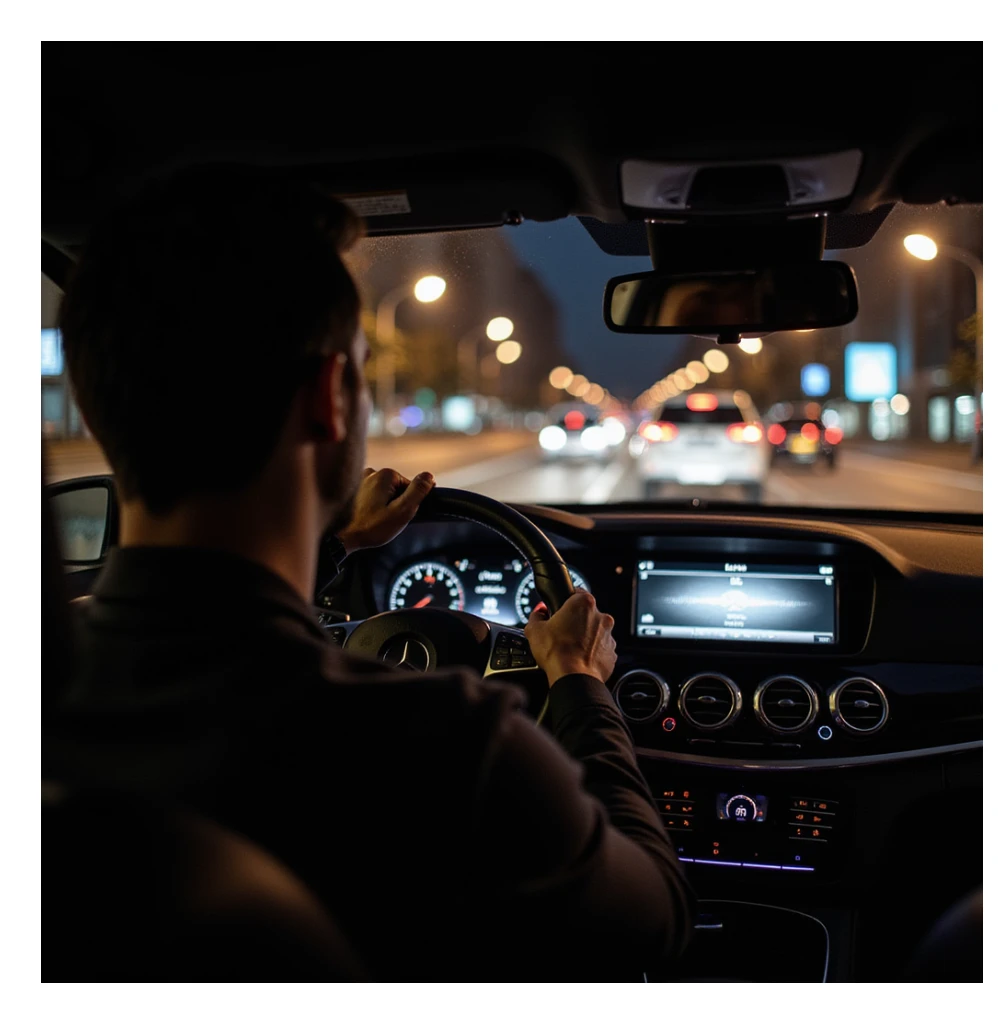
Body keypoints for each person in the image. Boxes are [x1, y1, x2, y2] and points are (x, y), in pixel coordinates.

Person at [45, 166, 695, 981]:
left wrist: (334, 546)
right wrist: (577, 684)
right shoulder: (453, 751)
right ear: (332, 398)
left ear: (95, 406)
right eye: (358, 367)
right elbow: (655, 921)